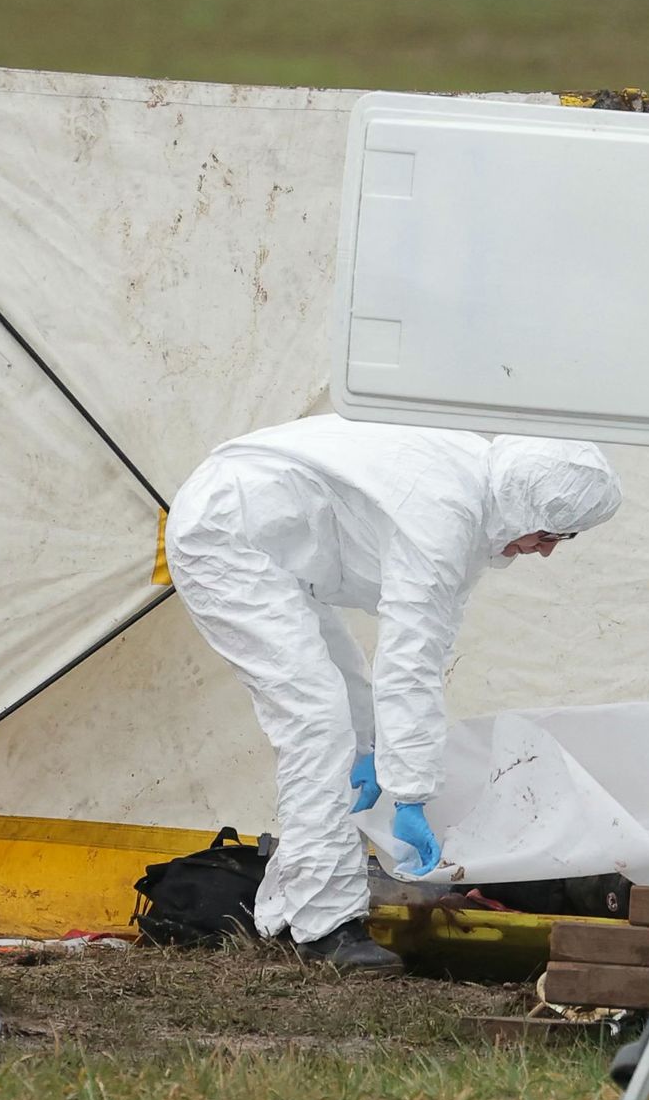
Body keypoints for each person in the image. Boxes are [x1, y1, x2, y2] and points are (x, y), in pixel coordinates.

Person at [166, 415, 623, 972]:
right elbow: (411, 661)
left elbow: (424, 635)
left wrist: (375, 749)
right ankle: (324, 926)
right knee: (316, 721)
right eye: (553, 534)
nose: (548, 551)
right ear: (526, 508)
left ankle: (289, 910)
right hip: (226, 539)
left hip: (258, 534)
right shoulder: (446, 515)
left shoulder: (473, 491)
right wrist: (409, 794)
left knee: (345, 704)